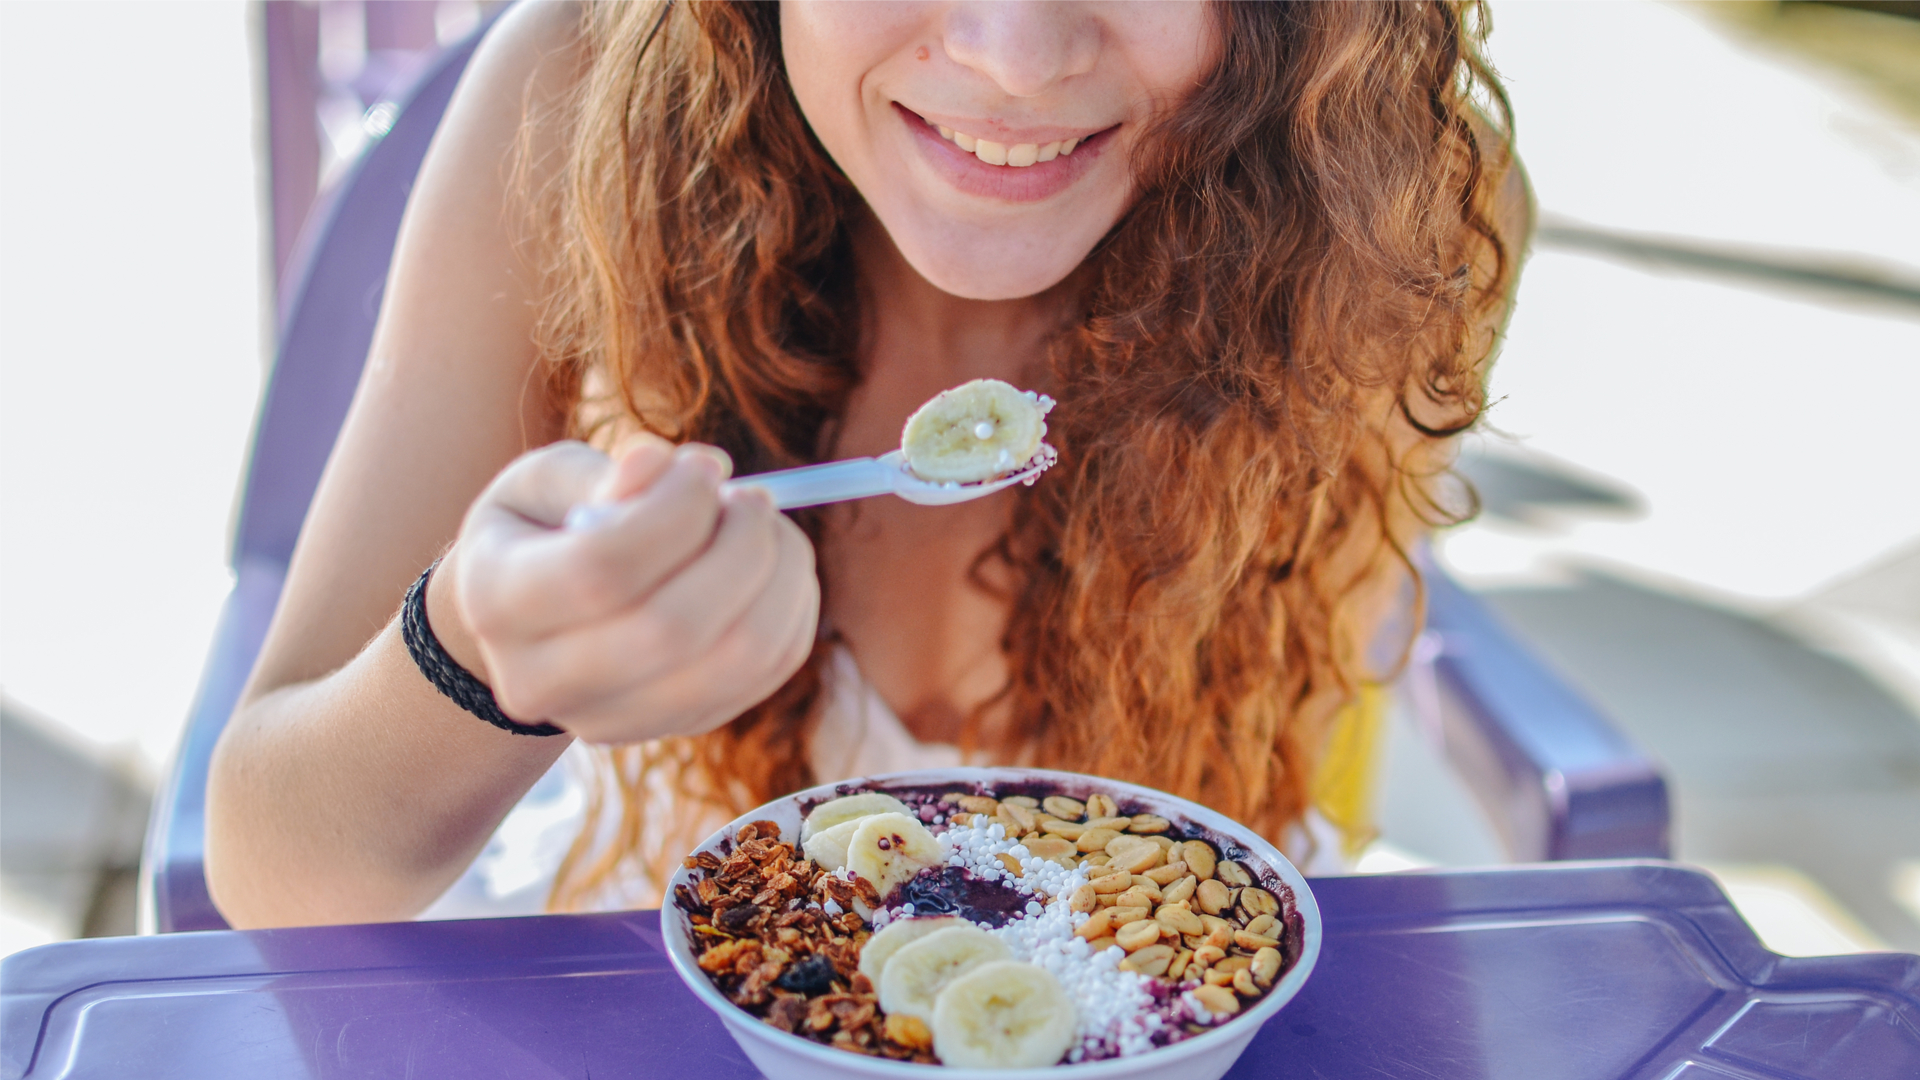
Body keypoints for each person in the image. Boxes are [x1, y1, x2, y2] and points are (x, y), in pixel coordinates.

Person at [206, 0, 1528, 928]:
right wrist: (480, 661)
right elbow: (275, 876)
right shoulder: (566, 107)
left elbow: (1256, 817)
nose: (1015, 56)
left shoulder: (1393, 211)